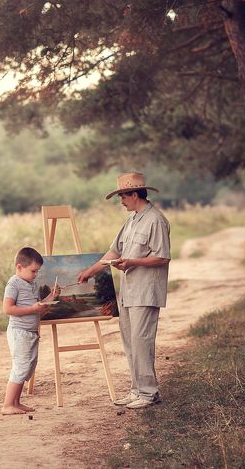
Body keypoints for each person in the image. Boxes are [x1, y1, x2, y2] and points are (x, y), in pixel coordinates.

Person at [77, 172, 170, 410]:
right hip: (128, 293)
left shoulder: (155, 220)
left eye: (123, 196)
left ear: (135, 195)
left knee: (141, 341)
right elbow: (113, 253)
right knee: (130, 342)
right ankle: (137, 390)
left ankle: (149, 393)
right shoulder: (131, 221)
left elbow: (162, 257)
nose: (121, 201)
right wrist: (90, 271)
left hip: (146, 291)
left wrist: (132, 263)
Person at [1, 246, 60, 415]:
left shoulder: (31, 283)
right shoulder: (13, 284)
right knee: (20, 366)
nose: (36, 274)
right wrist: (33, 309)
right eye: (33, 271)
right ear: (19, 267)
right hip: (19, 332)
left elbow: (38, 305)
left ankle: (16, 402)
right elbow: (8, 309)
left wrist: (52, 297)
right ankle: (7, 405)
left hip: (31, 332)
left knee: (28, 366)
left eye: (37, 271)